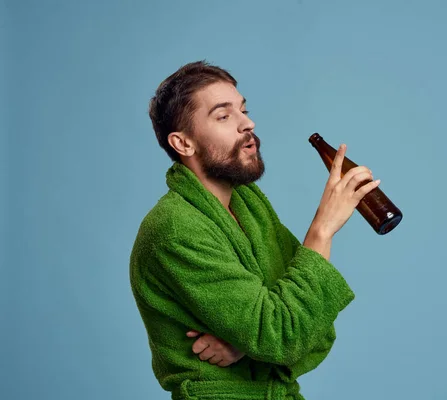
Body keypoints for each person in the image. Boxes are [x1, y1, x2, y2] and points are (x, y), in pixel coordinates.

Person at [129, 60, 381, 400]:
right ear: (183, 144)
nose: (248, 123)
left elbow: (314, 327)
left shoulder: (246, 203)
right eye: (223, 116)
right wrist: (322, 229)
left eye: (243, 110)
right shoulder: (176, 229)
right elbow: (286, 333)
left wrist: (248, 345)